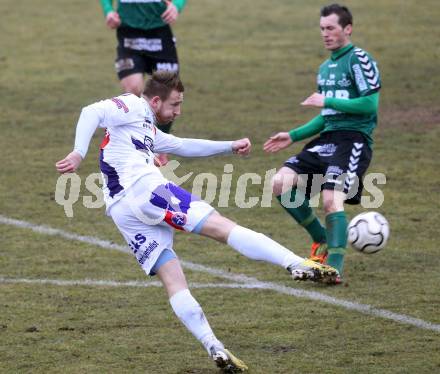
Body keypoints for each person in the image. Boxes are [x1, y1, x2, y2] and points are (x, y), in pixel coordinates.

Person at [56, 71, 338, 371]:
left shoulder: (145, 129)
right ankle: (296, 263)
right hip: (145, 189)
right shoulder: (133, 105)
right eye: (174, 104)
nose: (178, 111)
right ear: (154, 100)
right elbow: (92, 111)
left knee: (172, 278)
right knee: (222, 227)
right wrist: (77, 153)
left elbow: (180, 145)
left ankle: (213, 346)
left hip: (122, 211)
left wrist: (229, 145)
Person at [264, 4, 381, 282]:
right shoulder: (325, 68)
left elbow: (369, 104)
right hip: (328, 139)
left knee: (331, 199)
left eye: (331, 28)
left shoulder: (359, 59)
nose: (325, 34)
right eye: (322, 29)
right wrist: (291, 136)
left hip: (353, 140)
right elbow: (326, 117)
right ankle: (321, 239)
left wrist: (327, 100)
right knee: (280, 183)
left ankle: (334, 267)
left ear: (347, 29)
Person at [99, 0, 187, 165]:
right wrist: (109, 11)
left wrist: (177, 5)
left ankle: (160, 146)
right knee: (133, 88)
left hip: (160, 33)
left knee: (169, 93)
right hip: (129, 34)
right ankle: (136, 142)